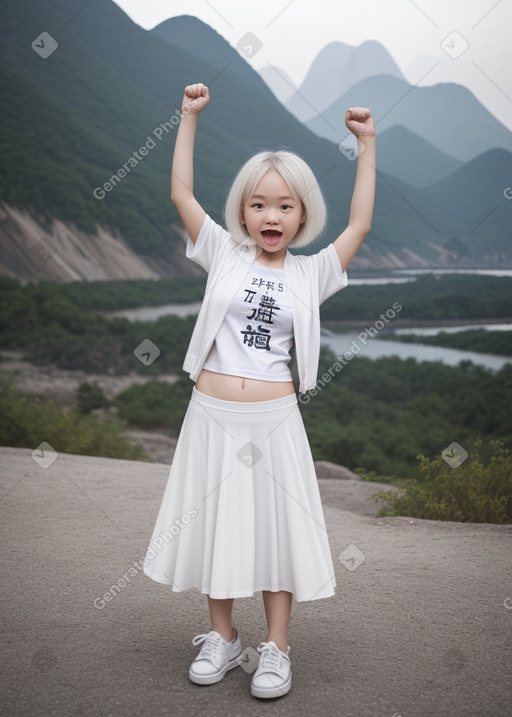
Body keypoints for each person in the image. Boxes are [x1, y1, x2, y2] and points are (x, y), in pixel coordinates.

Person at [143, 82, 375, 699]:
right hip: (211, 415)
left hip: (274, 419)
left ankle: (276, 648)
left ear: (302, 215)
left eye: (285, 206)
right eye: (259, 205)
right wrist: (187, 116)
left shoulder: (314, 271)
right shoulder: (222, 251)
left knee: (275, 533)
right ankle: (223, 638)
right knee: (219, 525)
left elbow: (360, 223)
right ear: (242, 212)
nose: (271, 217)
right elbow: (179, 192)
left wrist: (367, 145)